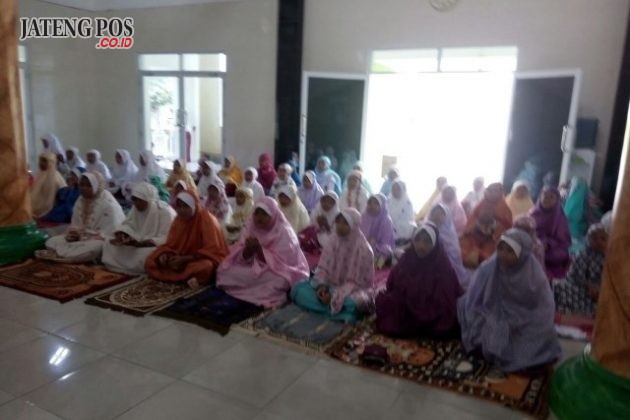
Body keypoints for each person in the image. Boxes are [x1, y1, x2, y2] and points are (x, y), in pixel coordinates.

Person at [457, 229, 561, 374]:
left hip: (526, 318)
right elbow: (475, 298)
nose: (503, 255)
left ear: (522, 254)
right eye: (500, 249)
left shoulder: (534, 276)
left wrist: (520, 321)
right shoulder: (491, 267)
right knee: (484, 335)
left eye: (510, 251)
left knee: (540, 339)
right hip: (495, 313)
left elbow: (543, 309)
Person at [217, 197, 310, 308]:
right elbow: (240, 255)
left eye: (264, 214)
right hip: (251, 267)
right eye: (257, 213)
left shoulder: (285, 232)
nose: (259, 218)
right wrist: (248, 251)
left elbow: (286, 265)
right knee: (224, 271)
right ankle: (255, 292)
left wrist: (260, 251)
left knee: (280, 281)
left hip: (277, 271)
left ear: (273, 215)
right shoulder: (250, 226)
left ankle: (248, 290)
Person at [376, 223, 463, 337]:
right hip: (408, 303)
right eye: (417, 240)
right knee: (387, 302)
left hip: (431, 306)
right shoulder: (408, 257)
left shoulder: (442, 264)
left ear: (435, 244)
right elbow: (392, 283)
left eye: (427, 241)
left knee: (445, 317)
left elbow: (445, 298)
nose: (421, 245)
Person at [291, 208, 375, 323]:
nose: (340, 226)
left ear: (354, 226)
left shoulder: (364, 249)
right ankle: (337, 313)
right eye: (338, 222)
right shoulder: (333, 240)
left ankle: (330, 309)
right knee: (298, 289)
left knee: (355, 303)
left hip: (351, 291)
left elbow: (357, 282)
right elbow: (323, 267)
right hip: (330, 285)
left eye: (345, 223)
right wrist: (322, 288)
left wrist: (335, 296)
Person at [145, 191, 229, 287]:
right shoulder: (178, 220)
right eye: (179, 207)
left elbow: (213, 251)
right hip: (180, 259)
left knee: (206, 266)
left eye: (186, 207)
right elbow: (171, 244)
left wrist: (185, 259)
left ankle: (189, 276)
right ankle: (187, 277)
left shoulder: (207, 220)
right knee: (151, 260)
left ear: (194, 206)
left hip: (199, 258)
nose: (182, 210)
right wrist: (166, 255)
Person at [42, 173, 125, 263]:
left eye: (88, 185)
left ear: (96, 186)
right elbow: (75, 225)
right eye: (81, 185)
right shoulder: (80, 200)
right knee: (51, 241)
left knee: (95, 248)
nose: (83, 188)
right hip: (79, 239)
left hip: (96, 240)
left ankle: (62, 254)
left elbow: (110, 235)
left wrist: (87, 236)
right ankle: (69, 255)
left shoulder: (108, 204)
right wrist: (73, 234)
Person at [102, 182, 176, 275]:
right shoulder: (135, 208)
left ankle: (135, 267)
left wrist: (143, 243)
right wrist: (122, 235)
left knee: (150, 254)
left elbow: (168, 238)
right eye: (134, 200)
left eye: (140, 200)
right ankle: (122, 266)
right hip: (135, 244)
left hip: (151, 246)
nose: (136, 203)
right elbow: (127, 224)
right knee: (108, 242)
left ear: (148, 200)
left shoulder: (165, 212)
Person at [554, 224, 607, 317]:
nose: (599, 242)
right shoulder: (583, 254)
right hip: (582, 288)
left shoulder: (612, 257)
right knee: (557, 286)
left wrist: (600, 289)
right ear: (588, 239)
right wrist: (588, 286)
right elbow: (573, 276)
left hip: (602, 291)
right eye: (594, 238)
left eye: (603, 238)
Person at [459, 183, 513, 269]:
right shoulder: (481, 203)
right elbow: (472, 219)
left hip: (492, 239)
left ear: (500, 192)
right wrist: (477, 225)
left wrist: (493, 227)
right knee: (463, 248)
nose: (492, 193)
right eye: (490, 190)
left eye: (495, 191)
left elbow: (507, 228)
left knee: (489, 257)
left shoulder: (504, 209)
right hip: (475, 235)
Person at [530, 186, 571, 279]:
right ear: (540, 197)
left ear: (557, 200)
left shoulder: (560, 218)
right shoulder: (533, 213)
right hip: (533, 244)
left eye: (551, 197)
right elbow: (525, 231)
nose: (547, 199)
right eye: (545, 196)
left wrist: (548, 244)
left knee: (558, 255)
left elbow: (563, 240)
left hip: (552, 248)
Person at [428, 204, 471, 290]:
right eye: (434, 213)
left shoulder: (450, 231)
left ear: (446, 216)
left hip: (449, 264)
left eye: (440, 214)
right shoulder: (428, 229)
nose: (437, 216)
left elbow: (454, 251)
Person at [563, 177, 602, 245]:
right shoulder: (566, 198)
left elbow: (596, 215)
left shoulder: (586, 199)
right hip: (573, 235)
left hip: (581, 235)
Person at [361, 194, 395, 266]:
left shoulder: (386, 220)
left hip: (379, 248)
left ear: (382, 206)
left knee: (386, 251)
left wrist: (373, 243)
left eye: (376, 203)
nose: (372, 205)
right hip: (362, 247)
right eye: (369, 203)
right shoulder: (364, 216)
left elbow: (386, 242)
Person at [31, 153, 67, 218]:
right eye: (40, 161)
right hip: (38, 206)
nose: (41, 163)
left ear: (51, 162)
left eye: (44, 161)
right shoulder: (39, 174)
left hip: (53, 207)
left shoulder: (56, 176)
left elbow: (63, 193)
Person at [387, 180, 416, 244]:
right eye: (393, 188)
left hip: (402, 230)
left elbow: (409, 220)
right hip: (388, 227)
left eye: (397, 189)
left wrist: (394, 225)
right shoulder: (388, 201)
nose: (395, 191)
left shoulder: (407, 203)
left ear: (403, 190)